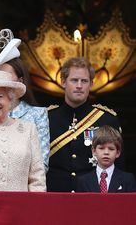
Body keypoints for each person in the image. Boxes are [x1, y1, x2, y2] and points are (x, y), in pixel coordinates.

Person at [47, 57, 122, 192]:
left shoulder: (106, 119)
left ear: (91, 84)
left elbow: (118, 168)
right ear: (63, 82)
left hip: (93, 195)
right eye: (74, 80)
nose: (79, 86)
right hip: (55, 195)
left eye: (84, 81)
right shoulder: (47, 118)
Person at [0, 37, 50, 172]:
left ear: (20, 80)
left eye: (7, 75)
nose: (3, 81)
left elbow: (42, 164)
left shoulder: (38, 115)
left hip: (25, 188)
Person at [77, 125, 136, 193]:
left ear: (118, 153)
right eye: (101, 148)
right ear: (94, 151)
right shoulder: (83, 181)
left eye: (111, 149)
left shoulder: (127, 179)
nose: (106, 152)